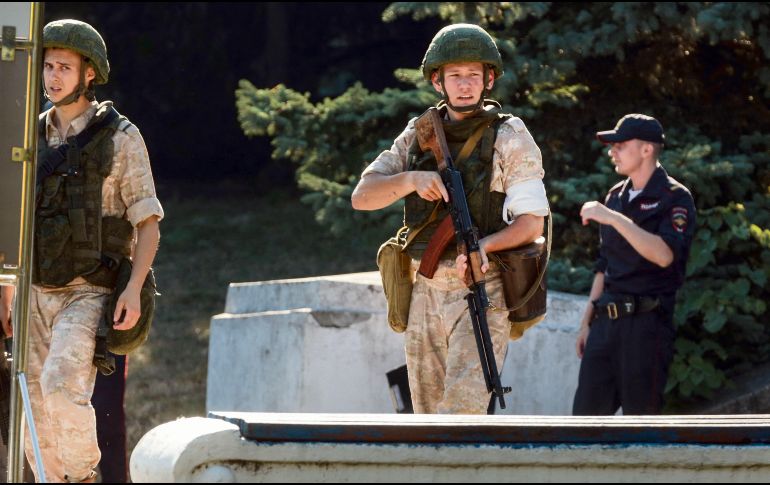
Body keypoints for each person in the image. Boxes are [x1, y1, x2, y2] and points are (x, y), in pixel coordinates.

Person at [352, 24, 549, 414]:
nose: (464, 85)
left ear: (488, 80)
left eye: (473, 75)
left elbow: (532, 224)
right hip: (423, 290)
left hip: (481, 283)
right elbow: (363, 197)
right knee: (425, 417)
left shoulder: (509, 135)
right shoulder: (419, 132)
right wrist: (411, 179)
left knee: (463, 412)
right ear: (437, 82)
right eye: (454, 76)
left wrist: (483, 248)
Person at [26, 19, 163, 482]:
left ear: (89, 74)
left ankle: (85, 478)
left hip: (88, 291)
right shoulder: (29, 136)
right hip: (33, 291)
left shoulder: (121, 138)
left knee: (61, 389)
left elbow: (147, 224)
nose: (53, 77)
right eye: (47, 66)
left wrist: (134, 288)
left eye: (64, 66)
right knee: (33, 425)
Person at [572, 114, 696, 415]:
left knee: (641, 426)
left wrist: (613, 218)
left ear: (646, 150)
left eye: (621, 145)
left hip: (646, 326)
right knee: (582, 426)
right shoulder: (615, 196)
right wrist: (587, 321)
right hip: (605, 324)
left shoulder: (675, 198)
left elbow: (665, 255)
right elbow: (605, 264)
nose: (612, 151)